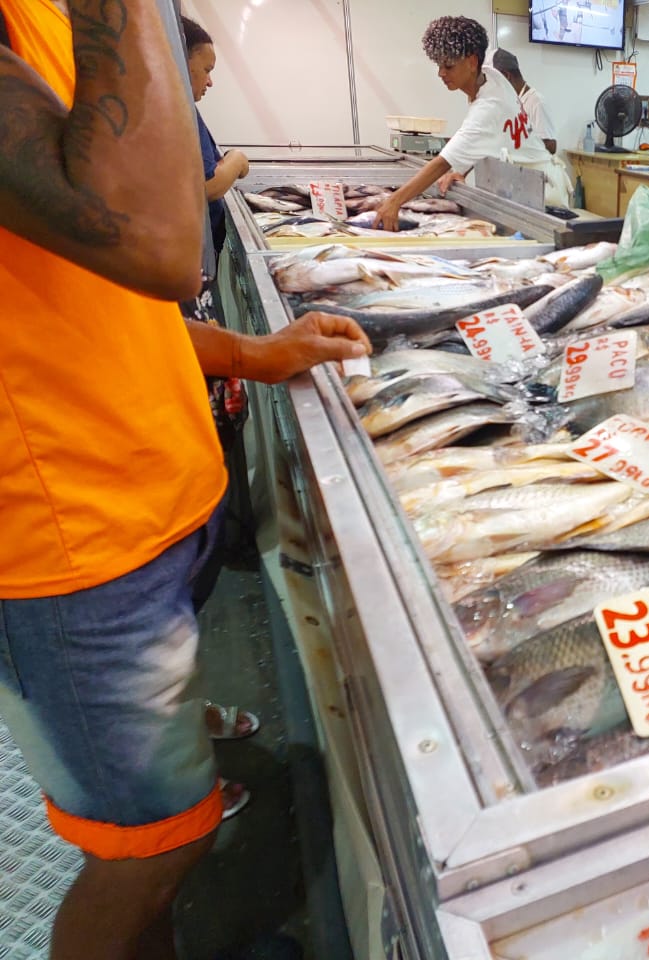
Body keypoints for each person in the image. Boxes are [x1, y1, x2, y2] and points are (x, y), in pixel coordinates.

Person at [0, 3, 369, 958]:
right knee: (149, 852)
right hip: (70, 543)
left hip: (150, 502)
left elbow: (103, 294)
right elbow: (163, 243)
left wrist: (250, 351)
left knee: (168, 823)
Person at [372, 17, 570, 230]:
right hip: (524, 183)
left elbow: (441, 163)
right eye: (439, 65)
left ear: (472, 62)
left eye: (448, 66)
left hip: (543, 192)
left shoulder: (487, 108)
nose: (441, 73)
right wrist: (463, 170)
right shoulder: (491, 75)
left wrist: (394, 202)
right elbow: (487, 138)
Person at [182, 15, 247, 260]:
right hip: (191, 255)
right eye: (206, 70)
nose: (210, 81)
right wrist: (237, 160)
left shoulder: (182, 107)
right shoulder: (178, 108)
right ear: (179, 61)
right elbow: (207, 187)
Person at [492, 48, 556, 154]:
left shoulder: (536, 102)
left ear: (506, 76)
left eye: (496, 81)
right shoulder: (512, 100)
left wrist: (520, 143)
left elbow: (551, 146)